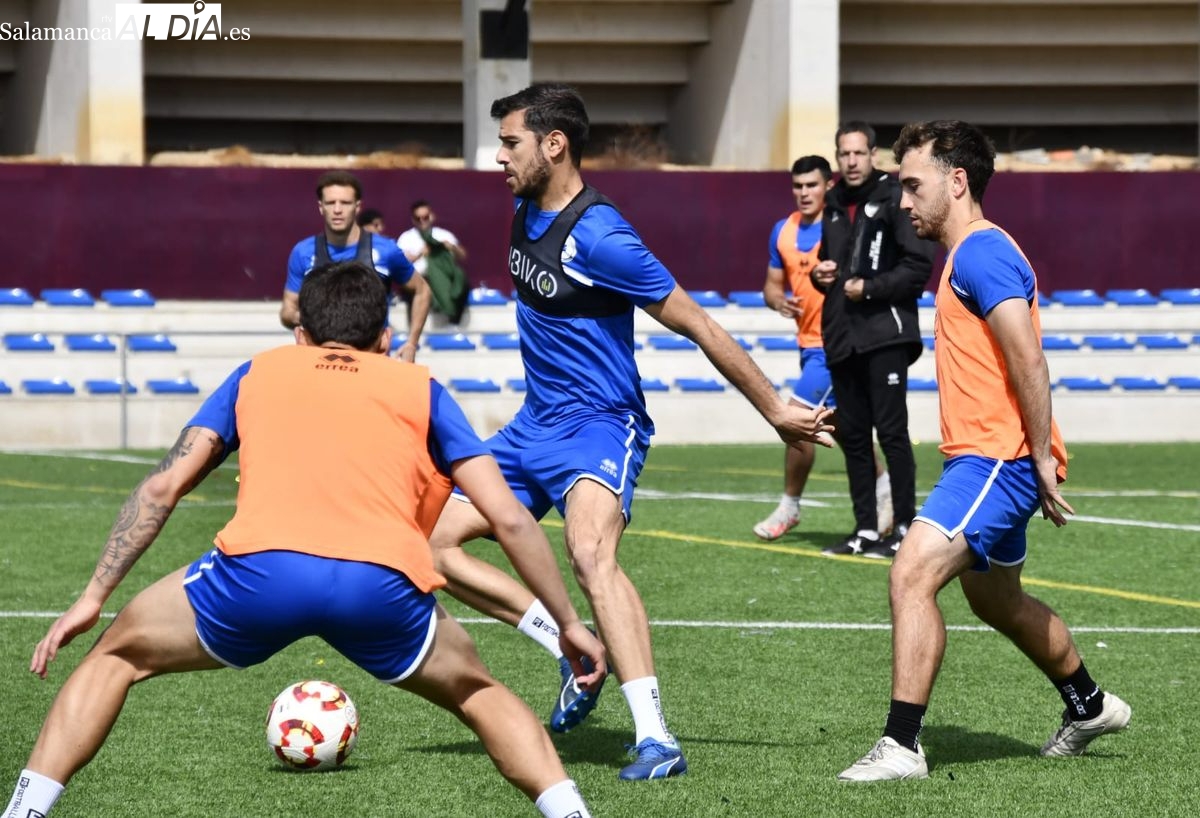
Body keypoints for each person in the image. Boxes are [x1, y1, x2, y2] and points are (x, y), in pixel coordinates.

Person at [3, 262, 606, 818]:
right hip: (381, 584)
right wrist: (568, 624)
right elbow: (510, 519)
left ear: (300, 335)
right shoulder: (419, 388)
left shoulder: (258, 372)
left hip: (259, 576)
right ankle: (570, 813)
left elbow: (162, 490)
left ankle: (24, 811)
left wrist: (93, 594)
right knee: (478, 693)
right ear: (386, 341)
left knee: (115, 655)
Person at [426, 83, 834, 781]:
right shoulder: (523, 206)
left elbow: (698, 321)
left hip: (598, 426)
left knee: (589, 553)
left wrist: (772, 406)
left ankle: (656, 738)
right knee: (433, 545)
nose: (498, 157)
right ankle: (569, 644)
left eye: (510, 143)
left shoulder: (604, 238)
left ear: (554, 145)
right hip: (533, 426)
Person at [837, 120, 1130, 782]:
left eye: (913, 186)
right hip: (992, 457)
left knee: (911, 572)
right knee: (995, 601)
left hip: (997, 458)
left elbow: (1028, 357)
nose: (904, 202)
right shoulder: (969, 255)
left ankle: (902, 746)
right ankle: (1088, 704)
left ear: (957, 180)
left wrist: (1040, 461)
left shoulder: (979, 253)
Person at [753, 155, 894, 541]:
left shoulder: (843, 228)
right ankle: (886, 492)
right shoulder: (782, 231)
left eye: (812, 185)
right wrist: (776, 300)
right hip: (807, 345)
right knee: (845, 429)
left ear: (828, 186)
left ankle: (789, 507)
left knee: (795, 418)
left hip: (837, 344)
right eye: (798, 186)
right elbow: (770, 285)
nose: (804, 193)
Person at [813, 121, 935, 558]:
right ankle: (866, 528)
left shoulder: (895, 196)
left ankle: (903, 526)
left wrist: (869, 288)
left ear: (873, 155)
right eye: (844, 154)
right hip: (843, 336)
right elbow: (836, 264)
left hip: (885, 335)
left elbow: (918, 266)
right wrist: (819, 272)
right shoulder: (832, 203)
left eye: (858, 153)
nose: (851, 162)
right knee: (855, 436)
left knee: (892, 433)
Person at [280, 171, 432, 363]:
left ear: (357, 206)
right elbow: (288, 311)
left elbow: (422, 290)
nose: (337, 209)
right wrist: (319, 316)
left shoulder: (386, 250)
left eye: (345, 203)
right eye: (330, 203)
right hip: (318, 364)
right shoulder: (303, 252)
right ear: (321, 207)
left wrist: (411, 343)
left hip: (372, 363)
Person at [398, 200, 470, 324]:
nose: (422, 221)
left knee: (460, 278)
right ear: (413, 220)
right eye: (418, 218)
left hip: (444, 278)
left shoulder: (443, 234)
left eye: (425, 217)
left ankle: (454, 320)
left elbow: (463, 255)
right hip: (419, 280)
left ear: (431, 216)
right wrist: (420, 254)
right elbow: (400, 263)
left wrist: (452, 247)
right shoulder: (406, 238)